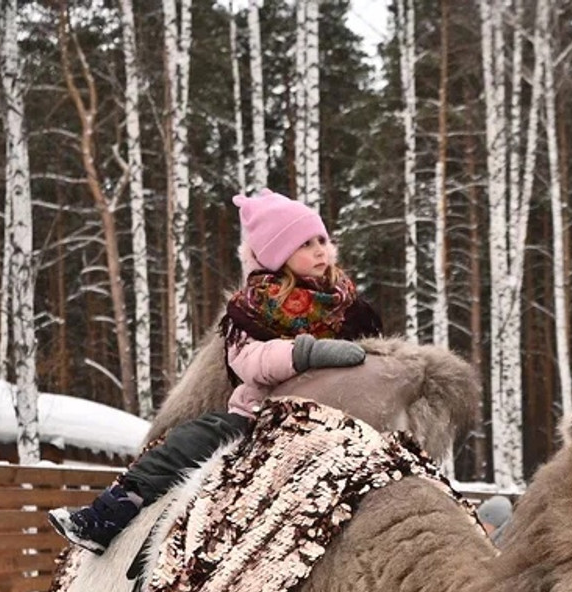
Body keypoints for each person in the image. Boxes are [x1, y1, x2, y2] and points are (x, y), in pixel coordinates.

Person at [50, 189, 382, 552]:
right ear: (277, 255)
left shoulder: (351, 308)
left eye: (322, 239)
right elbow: (249, 361)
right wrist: (304, 354)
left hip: (338, 417)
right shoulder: (249, 310)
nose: (321, 249)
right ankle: (107, 516)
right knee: (188, 441)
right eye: (305, 244)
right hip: (258, 417)